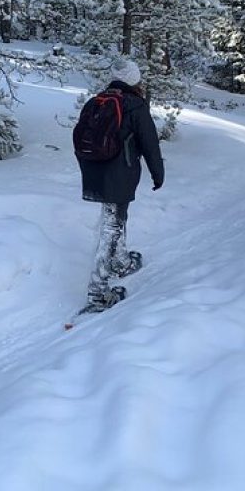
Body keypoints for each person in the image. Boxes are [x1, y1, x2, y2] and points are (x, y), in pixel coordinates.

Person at [77, 58, 164, 311]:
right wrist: (158, 175)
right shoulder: (135, 105)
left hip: (95, 171)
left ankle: (121, 261)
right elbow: (150, 144)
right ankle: (97, 294)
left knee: (116, 217)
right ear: (133, 80)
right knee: (111, 227)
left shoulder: (96, 101)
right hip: (119, 174)